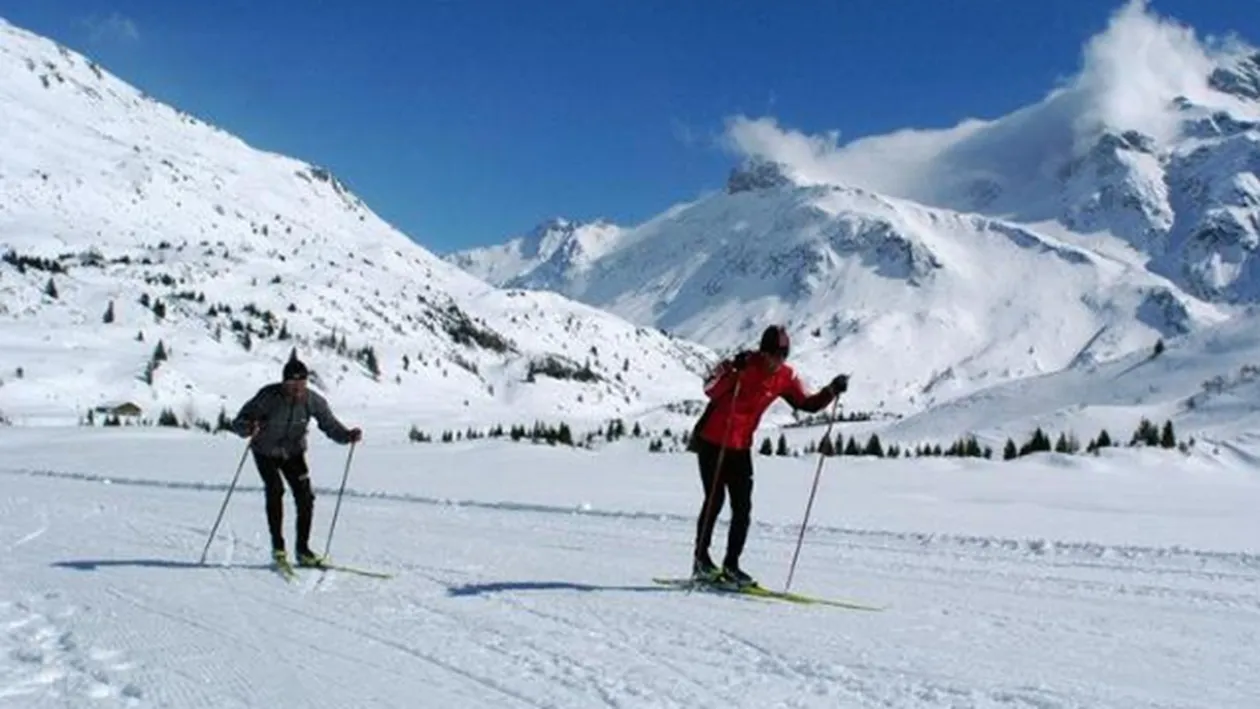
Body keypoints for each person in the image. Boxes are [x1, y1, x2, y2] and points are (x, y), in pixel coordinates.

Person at [688, 325, 848, 588]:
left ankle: (731, 566)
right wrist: (731, 371)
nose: (778, 361)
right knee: (715, 501)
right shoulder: (741, 364)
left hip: (740, 446)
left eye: (783, 355)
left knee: (742, 508)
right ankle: (701, 561)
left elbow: (806, 404)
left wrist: (831, 390)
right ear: (762, 352)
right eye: (773, 355)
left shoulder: (785, 376)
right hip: (713, 440)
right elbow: (709, 388)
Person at [231, 352, 362, 568]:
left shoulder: (313, 400)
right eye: (292, 384)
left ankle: (303, 550)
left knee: (305, 497)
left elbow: (329, 425)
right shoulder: (268, 397)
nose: (297, 389)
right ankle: (278, 548)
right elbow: (239, 422)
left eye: (301, 383)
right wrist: (248, 427)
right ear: (284, 383)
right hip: (265, 451)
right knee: (275, 489)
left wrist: (347, 436)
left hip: (293, 452)